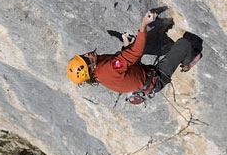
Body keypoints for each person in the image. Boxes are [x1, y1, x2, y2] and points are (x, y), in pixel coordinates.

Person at [67, 10, 203, 101]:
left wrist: (126, 45)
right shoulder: (107, 70)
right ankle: (187, 62)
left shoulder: (99, 68)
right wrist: (144, 24)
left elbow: (122, 59)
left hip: (143, 75)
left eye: (82, 55)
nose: (86, 54)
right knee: (186, 42)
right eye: (85, 59)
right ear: (89, 69)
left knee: (125, 52)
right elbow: (134, 53)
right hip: (157, 77)